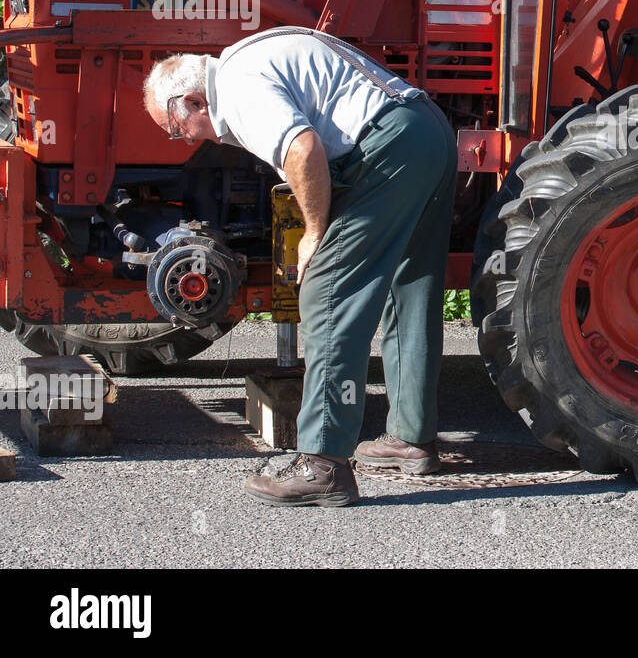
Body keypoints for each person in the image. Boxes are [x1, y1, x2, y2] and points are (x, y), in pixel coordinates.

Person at [143, 26, 458, 507]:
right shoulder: (247, 60)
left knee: (326, 293)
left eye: (174, 128)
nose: (182, 140)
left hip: (390, 146)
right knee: (410, 284)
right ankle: (410, 437)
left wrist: (313, 234)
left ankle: (323, 465)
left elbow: (303, 149)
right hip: (426, 131)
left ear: (192, 101)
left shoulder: (238, 86)